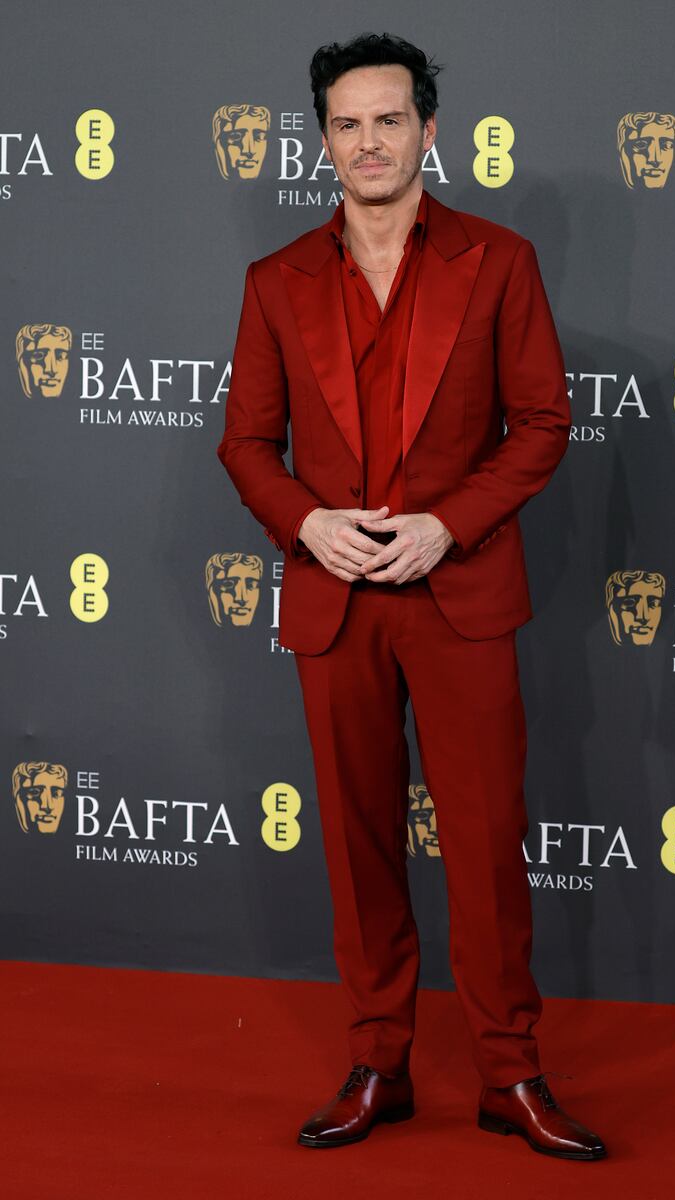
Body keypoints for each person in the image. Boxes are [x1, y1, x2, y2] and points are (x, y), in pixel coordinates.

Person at [217, 32, 606, 1161]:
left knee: (484, 846)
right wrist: (305, 522)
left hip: (460, 591)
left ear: (429, 131)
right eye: (347, 123)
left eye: (390, 119)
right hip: (332, 599)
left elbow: (540, 424)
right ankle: (379, 1061)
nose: (369, 141)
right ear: (323, 139)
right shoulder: (274, 281)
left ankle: (509, 1074)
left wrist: (449, 523)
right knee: (357, 842)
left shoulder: (498, 261)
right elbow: (245, 443)